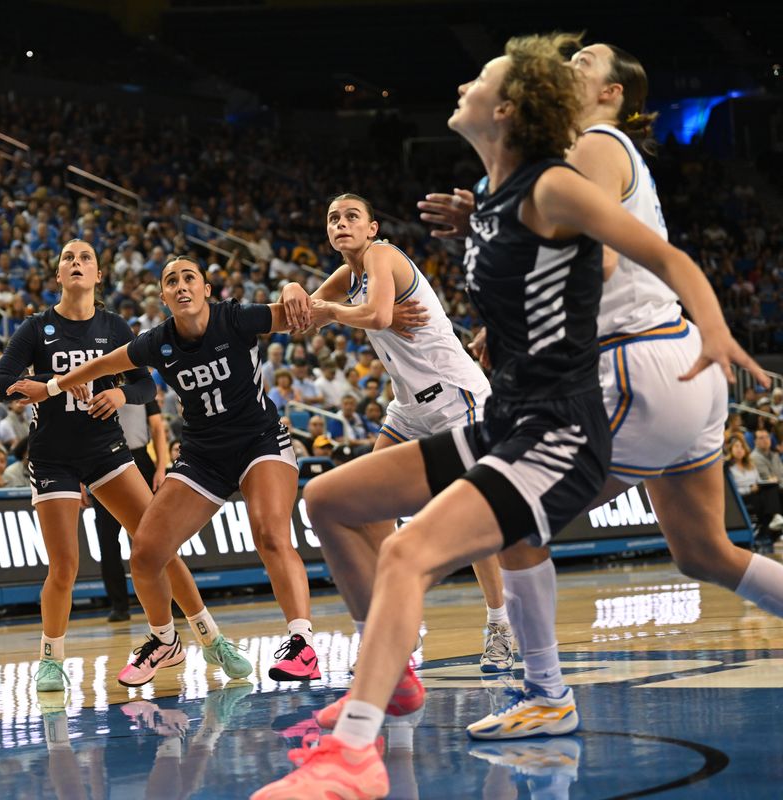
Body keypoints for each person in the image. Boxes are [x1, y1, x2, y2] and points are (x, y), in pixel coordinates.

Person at [253, 33, 765, 798]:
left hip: (564, 421)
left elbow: (659, 259)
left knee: (411, 553)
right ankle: (392, 681)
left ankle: (357, 756)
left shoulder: (562, 178)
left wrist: (715, 331)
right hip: (508, 416)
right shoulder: (496, 197)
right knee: (330, 501)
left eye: (482, 77)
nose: (463, 82)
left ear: (509, 107)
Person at [417, 41, 783, 742]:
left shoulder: (588, 144)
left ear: (614, 94)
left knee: (508, 517)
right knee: (704, 552)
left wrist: (511, 263)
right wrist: (493, 229)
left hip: (633, 363)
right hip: (684, 370)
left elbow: (599, 256)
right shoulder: (585, 159)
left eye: (586, 61)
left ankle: (546, 693)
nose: (569, 63)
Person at [8, 255, 314, 686]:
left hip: (257, 442)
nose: (182, 285)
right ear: (164, 296)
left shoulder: (236, 317)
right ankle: (164, 640)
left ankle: (300, 643)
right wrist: (52, 386)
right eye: (172, 281)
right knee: (147, 554)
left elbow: (303, 312)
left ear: (207, 288)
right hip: (202, 454)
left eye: (190, 277)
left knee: (268, 534)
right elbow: (100, 367)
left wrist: (296, 288)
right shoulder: (156, 340)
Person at [281, 194, 512, 699]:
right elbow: (303, 317)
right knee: (365, 514)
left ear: (373, 227)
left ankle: (501, 625)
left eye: (350, 217)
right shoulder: (346, 276)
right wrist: (293, 287)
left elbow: (380, 315)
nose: (341, 224)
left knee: (477, 520)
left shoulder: (383, 256)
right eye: (333, 218)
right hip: (408, 408)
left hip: (457, 399)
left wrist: (337, 311)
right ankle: (398, 623)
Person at [92, 399, 171, 622]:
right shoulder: (95, 384)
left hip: (140, 460)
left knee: (156, 538)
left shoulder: (139, 384)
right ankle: (119, 605)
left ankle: (173, 601)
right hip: (102, 461)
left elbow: (156, 427)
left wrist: (161, 468)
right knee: (107, 540)